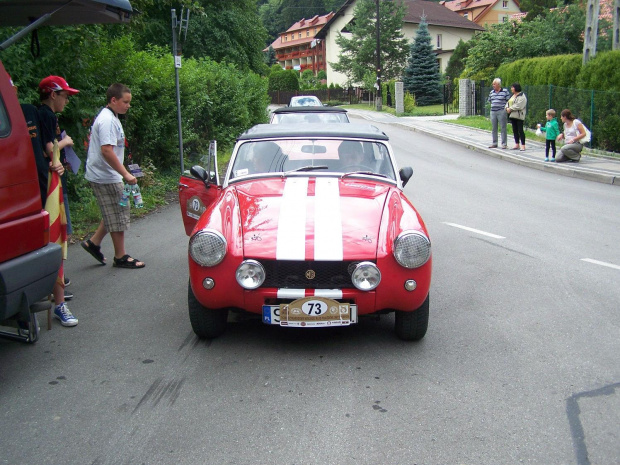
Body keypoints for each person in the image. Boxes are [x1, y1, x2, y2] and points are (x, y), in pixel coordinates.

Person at [82, 83, 145, 269]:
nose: (128, 105)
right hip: (105, 175)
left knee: (113, 209)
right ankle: (120, 256)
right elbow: (107, 151)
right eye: (125, 102)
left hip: (106, 173)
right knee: (118, 211)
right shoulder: (108, 120)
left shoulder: (111, 116)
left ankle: (93, 243)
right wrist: (125, 174)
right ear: (113, 100)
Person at [38, 75, 79, 326]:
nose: (66, 100)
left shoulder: (47, 115)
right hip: (50, 187)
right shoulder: (47, 115)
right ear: (53, 95)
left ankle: (58, 288)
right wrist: (64, 142)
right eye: (64, 95)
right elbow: (48, 148)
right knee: (56, 236)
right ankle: (57, 298)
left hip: (54, 179)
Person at [487, 78, 510, 149]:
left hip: (501, 111)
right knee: (494, 128)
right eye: (493, 84)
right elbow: (490, 100)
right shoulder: (491, 92)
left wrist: (505, 109)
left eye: (494, 84)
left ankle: (504, 144)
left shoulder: (505, 91)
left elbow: (508, 101)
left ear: (498, 84)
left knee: (503, 127)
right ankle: (494, 143)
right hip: (493, 111)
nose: (493, 85)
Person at [506, 82, 527, 151]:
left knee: (520, 130)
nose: (511, 88)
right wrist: (506, 108)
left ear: (516, 88)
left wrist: (510, 109)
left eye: (513, 87)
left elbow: (519, 105)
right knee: (514, 130)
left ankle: (523, 145)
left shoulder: (522, 96)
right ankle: (516, 143)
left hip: (519, 115)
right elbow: (508, 102)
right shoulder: (513, 95)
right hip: (512, 115)